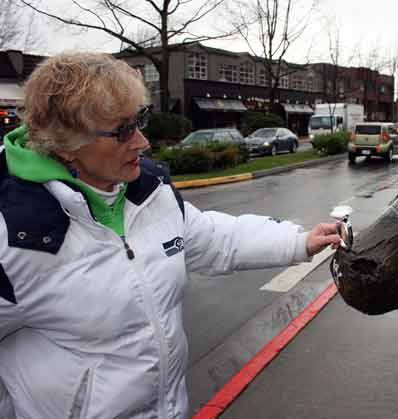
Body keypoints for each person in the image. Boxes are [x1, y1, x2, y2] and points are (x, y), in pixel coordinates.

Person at [0, 52, 341, 419]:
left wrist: (300, 241)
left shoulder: (149, 190)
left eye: (139, 121)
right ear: (66, 140)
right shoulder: (14, 233)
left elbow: (215, 238)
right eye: (122, 130)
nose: (142, 142)